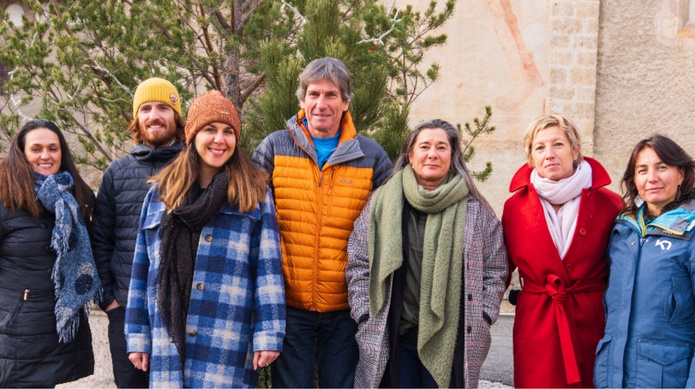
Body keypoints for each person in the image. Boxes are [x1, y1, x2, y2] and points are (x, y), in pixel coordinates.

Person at [124, 90, 285, 387]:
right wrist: (136, 334)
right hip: (167, 337)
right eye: (209, 129)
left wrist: (269, 333)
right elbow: (141, 270)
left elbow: (268, 270)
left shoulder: (254, 195)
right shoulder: (161, 194)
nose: (219, 140)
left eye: (228, 132)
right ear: (192, 135)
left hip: (226, 334)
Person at [251, 56, 392, 388]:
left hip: (346, 308)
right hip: (289, 303)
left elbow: (397, 219)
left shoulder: (371, 156)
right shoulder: (275, 146)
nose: (321, 104)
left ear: (345, 102)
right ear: (301, 100)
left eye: (331, 95)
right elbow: (244, 210)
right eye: (313, 94)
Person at [346, 119, 508, 388]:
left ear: (452, 156)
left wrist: (484, 316)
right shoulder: (382, 201)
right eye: (425, 146)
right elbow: (358, 262)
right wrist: (364, 312)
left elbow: (496, 269)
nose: (432, 154)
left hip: (451, 339)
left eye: (441, 147)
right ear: (410, 155)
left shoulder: (475, 210)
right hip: (395, 336)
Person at [502, 114, 622, 388]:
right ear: (530, 157)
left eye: (558, 144)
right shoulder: (514, 208)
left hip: (591, 319)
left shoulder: (609, 203)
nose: (549, 154)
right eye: (540, 147)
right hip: (537, 321)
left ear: (575, 150)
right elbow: (500, 268)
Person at [91, 77, 185, 388]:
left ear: (176, 116)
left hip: (182, 311)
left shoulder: (193, 168)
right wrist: (110, 302)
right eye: (145, 108)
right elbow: (100, 241)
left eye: (163, 107)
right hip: (127, 311)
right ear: (136, 118)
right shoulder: (117, 173)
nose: (154, 115)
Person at [0, 119, 100, 387]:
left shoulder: (73, 195)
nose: (46, 156)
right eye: (36, 149)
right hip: (17, 333)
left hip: (55, 331)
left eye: (53, 148)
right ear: (21, 153)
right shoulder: (5, 196)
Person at [594, 134, 695, 388]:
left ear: (681, 174)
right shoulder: (622, 231)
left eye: (662, 167)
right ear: (634, 179)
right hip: (613, 374)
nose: (652, 178)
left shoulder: (690, 231)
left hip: (668, 378)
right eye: (642, 170)